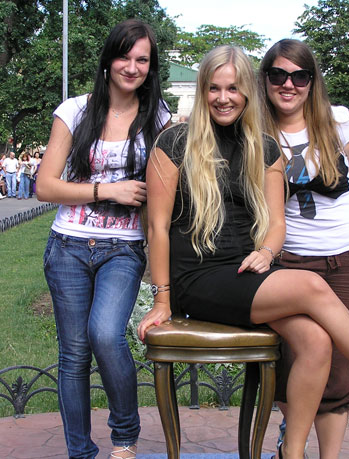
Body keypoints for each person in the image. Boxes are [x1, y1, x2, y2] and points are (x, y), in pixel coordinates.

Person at [137, 45, 349, 459]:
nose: (223, 98)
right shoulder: (174, 143)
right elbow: (157, 227)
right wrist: (162, 299)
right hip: (198, 277)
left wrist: (268, 251)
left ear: (247, 92)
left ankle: (293, 452)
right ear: (202, 90)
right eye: (214, 88)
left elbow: (277, 224)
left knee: (316, 341)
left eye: (233, 88)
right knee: (311, 286)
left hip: (247, 272)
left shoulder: (264, 147)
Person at [36, 19, 170, 459]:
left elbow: (164, 195)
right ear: (108, 60)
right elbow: (45, 187)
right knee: (74, 353)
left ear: (151, 67)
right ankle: (80, 451)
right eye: (124, 56)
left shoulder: (159, 118)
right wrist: (107, 190)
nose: (132, 67)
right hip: (68, 246)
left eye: (142, 60)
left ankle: (124, 438)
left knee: (107, 335)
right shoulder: (75, 111)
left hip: (123, 248)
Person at [258, 38, 349, 458]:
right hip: (290, 260)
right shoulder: (254, 128)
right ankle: (292, 444)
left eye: (299, 76)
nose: (289, 85)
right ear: (265, 79)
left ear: (312, 81)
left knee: (341, 368)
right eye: (278, 75)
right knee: (293, 358)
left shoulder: (336, 121)